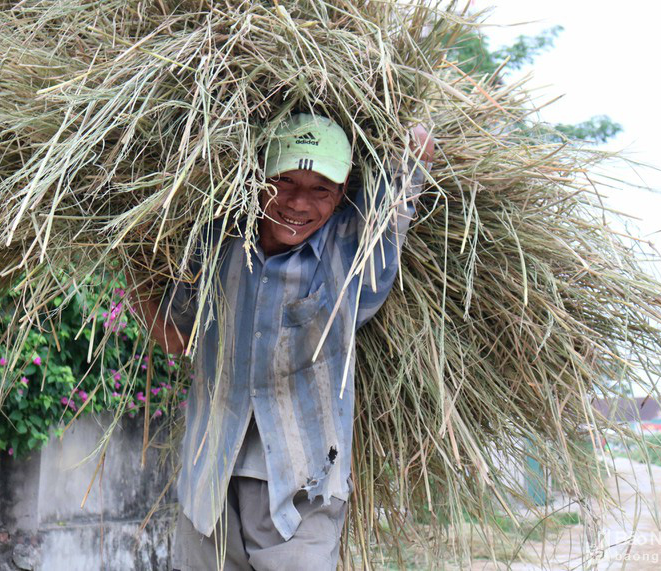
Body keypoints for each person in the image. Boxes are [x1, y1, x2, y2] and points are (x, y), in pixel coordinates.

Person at [130, 113, 435, 571]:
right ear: (257, 175)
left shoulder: (351, 251)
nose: (298, 203)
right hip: (209, 481)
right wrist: (127, 264)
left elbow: (409, 168)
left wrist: (411, 136)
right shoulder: (215, 244)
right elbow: (175, 338)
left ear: (343, 190)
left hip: (303, 488)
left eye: (320, 189)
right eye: (284, 180)